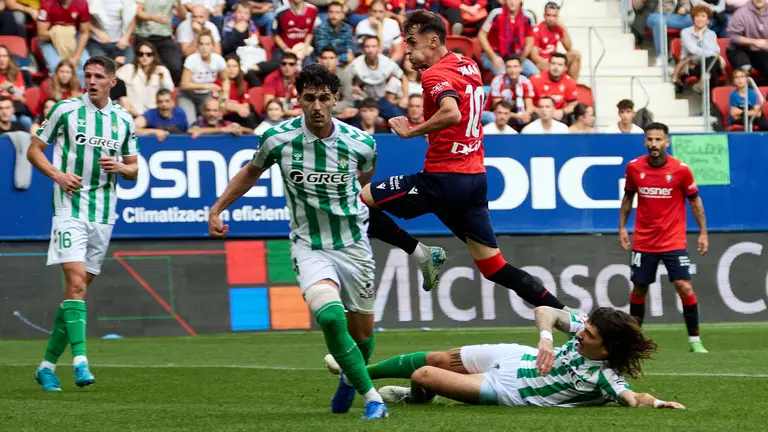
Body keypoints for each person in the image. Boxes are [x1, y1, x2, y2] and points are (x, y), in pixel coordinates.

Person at [208, 63, 389, 419]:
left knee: (362, 334)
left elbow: (366, 174)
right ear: (299, 100)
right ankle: (373, 399)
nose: (317, 106)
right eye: (309, 98)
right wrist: (218, 208)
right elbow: (251, 172)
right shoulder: (277, 139)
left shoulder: (362, 142)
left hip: (354, 244)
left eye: (323, 98)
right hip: (309, 245)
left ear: (335, 98)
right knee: (331, 318)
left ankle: (349, 380)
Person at [366, 10, 568, 310]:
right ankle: (569, 316)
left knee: (359, 201)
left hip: (443, 180)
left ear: (433, 41)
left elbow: (451, 112)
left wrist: (412, 131)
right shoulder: (469, 65)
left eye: (412, 42)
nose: (407, 50)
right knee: (495, 267)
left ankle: (421, 253)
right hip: (474, 180)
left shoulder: (433, 75)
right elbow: (460, 111)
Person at [26, 56, 139, 391]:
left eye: (98, 76)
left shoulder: (123, 119)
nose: (91, 81)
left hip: (103, 212)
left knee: (75, 294)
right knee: (75, 281)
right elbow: (35, 150)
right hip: (69, 207)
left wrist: (121, 168)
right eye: (87, 75)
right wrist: (58, 175)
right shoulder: (65, 110)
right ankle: (80, 361)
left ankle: (46, 367)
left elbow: (134, 169)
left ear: (112, 82)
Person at [325, 306, 686, 410]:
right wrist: (546, 339)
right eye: (584, 327)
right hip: (516, 355)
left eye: (588, 335)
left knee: (423, 375)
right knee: (435, 357)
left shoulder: (604, 376)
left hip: (507, 388)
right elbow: (545, 310)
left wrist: (657, 403)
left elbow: (632, 397)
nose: (580, 333)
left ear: (605, 350)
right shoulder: (585, 330)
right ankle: (355, 370)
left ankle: (415, 398)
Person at [619, 122, 709, 354]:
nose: (654, 144)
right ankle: (634, 341)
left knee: (684, 286)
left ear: (667, 142)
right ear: (645, 142)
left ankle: (695, 340)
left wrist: (703, 233)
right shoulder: (634, 168)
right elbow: (628, 198)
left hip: (673, 240)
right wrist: (622, 227)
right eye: (650, 139)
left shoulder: (681, 170)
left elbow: (695, 201)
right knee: (639, 288)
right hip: (644, 241)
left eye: (658, 139)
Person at [348, 35, 408, 120]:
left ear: (379, 48)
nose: (371, 50)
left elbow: (403, 77)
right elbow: (343, 80)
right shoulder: (356, 64)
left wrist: (405, 97)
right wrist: (351, 88)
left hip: (379, 100)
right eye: (367, 46)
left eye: (374, 46)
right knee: (350, 120)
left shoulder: (387, 63)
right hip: (361, 100)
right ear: (363, 49)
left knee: (401, 118)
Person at [178, 30, 228, 126]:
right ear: (198, 46)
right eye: (201, 44)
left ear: (212, 46)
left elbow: (225, 79)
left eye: (207, 44)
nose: (204, 47)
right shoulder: (191, 59)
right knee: (191, 123)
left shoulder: (219, 60)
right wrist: (207, 86)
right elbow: (185, 84)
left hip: (205, 95)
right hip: (187, 95)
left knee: (212, 120)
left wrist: (225, 94)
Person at [37, 0, 92, 86]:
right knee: (57, 67)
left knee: (86, 66)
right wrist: (60, 33)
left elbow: (84, 32)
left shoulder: (82, 3)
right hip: (49, 40)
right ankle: (57, 92)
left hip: (74, 37)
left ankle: (79, 91)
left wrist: (76, 58)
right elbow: (41, 34)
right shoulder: (46, 4)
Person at [478, 0, 538, 77]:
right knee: (506, 76)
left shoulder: (528, 16)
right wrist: (493, 57)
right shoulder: (496, 13)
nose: (512, 2)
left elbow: (530, 41)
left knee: (536, 74)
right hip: (494, 54)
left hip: (517, 56)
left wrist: (520, 59)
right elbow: (481, 35)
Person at [673, 5, 724, 93]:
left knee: (711, 63)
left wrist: (702, 34)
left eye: (703, 16)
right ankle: (710, 94)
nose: (700, 19)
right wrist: (700, 37)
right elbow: (693, 50)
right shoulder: (685, 32)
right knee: (713, 64)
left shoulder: (711, 33)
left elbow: (715, 50)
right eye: (697, 16)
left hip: (706, 63)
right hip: (691, 64)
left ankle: (703, 82)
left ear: (708, 20)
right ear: (693, 18)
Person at [116, 42, 175, 117]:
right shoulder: (128, 68)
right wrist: (124, 100)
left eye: (148, 54)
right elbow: (112, 82)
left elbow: (169, 91)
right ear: (137, 56)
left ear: (153, 56)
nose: (144, 57)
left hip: (153, 115)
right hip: (130, 113)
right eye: (141, 54)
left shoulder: (162, 70)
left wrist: (162, 78)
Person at [134, 0, 183, 85]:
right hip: (144, 37)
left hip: (164, 36)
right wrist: (153, 18)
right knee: (140, 68)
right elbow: (138, 13)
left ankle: (170, 91)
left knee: (176, 67)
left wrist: (179, 3)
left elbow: (183, 16)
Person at [530, 2, 582, 80]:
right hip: (542, 62)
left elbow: (569, 48)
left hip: (554, 59)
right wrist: (553, 65)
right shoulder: (537, 30)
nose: (551, 19)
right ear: (544, 16)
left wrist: (564, 29)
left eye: (554, 16)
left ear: (557, 17)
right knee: (555, 66)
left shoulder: (558, 28)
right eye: (548, 15)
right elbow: (534, 56)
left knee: (576, 55)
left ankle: (573, 85)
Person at [488, 55, 535, 129]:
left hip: (518, 113)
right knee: (499, 116)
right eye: (509, 67)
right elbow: (498, 108)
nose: (512, 70)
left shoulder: (525, 81)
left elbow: (530, 106)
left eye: (515, 66)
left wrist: (525, 115)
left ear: (521, 68)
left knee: (534, 117)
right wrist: (518, 116)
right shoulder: (498, 81)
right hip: (498, 113)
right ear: (505, 69)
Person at [529, 53, 579, 123]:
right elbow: (527, 103)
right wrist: (541, 112)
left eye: (560, 65)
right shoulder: (535, 80)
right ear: (549, 65)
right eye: (553, 63)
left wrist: (562, 111)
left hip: (559, 115)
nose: (556, 67)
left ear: (565, 68)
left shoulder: (570, 82)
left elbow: (573, 104)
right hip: (538, 114)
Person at [726, 0, 768, 80]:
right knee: (745, 68)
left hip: (760, 51)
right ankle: (747, 88)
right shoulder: (741, 13)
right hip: (738, 50)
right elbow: (733, 37)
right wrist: (755, 42)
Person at [644, 0, 694, 66]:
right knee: (660, 22)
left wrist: (684, 9)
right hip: (655, 15)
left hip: (672, 16)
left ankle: (692, 55)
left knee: (691, 19)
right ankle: (661, 56)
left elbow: (686, 3)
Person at [215, 54, 259, 129]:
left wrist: (231, 106)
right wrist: (236, 108)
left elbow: (245, 107)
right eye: (228, 66)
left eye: (235, 66)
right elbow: (221, 107)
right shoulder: (218, 83)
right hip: (224, 118)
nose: (231, 69)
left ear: (239, 68)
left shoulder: (243, 84)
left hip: (240, 116)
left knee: (250, 111)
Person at [317, 46, 358, 121]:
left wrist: (326, 108)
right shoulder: (313, 76)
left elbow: (348, 101)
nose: (328, 61)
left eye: (331, 58)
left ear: (337, 60)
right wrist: (337, 114)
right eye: (325, 58)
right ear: (319, 60)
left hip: (336, 109)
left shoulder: (344, 75)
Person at [0, 45, 32, 131]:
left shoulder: (17, 73)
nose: (2, 59)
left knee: (26, 121)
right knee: (12, 118)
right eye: (0, 56)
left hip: (17, 109)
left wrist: (8, 87)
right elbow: (16, 95)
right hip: (2, 110)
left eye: (5, 56)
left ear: (9, 58)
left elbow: (22, 98)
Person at [189, 97, 253, 138]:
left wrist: (239, 129)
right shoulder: (199, 123)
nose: (211, 113)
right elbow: (192, 130)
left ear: (220, 112)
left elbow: (251, 131)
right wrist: (222, 129)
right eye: (208, 110)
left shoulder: (225, 123)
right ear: (203, 112)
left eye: (215, 110)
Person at [263, 52, 302, 118]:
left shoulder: (301, 78)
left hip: (299, 115)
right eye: (284, 64)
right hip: (278, 116)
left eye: (291, 64)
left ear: (296, 66)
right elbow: (268, 105)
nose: (287, 67)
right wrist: (292, 113)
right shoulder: (272, 78)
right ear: (280, 65)